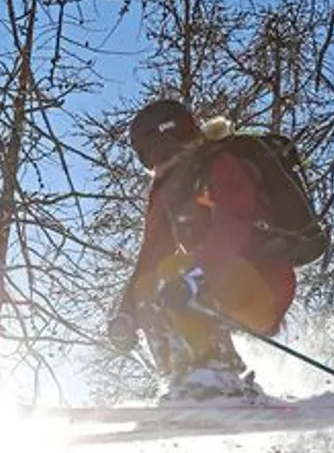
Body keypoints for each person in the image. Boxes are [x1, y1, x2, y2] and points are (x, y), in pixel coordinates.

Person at [106, 98, 305, 402]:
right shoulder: (166, 192)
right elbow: (149, 259)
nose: (159, 162)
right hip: (209, 288)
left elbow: (233, 224)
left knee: (175, 270)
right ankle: (183, 380)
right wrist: (126, 313)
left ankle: (220, 373)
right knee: (149, 287)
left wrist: (195, 277)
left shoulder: (219, 162)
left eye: (161, 150)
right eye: (150, 156)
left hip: (263, 284)